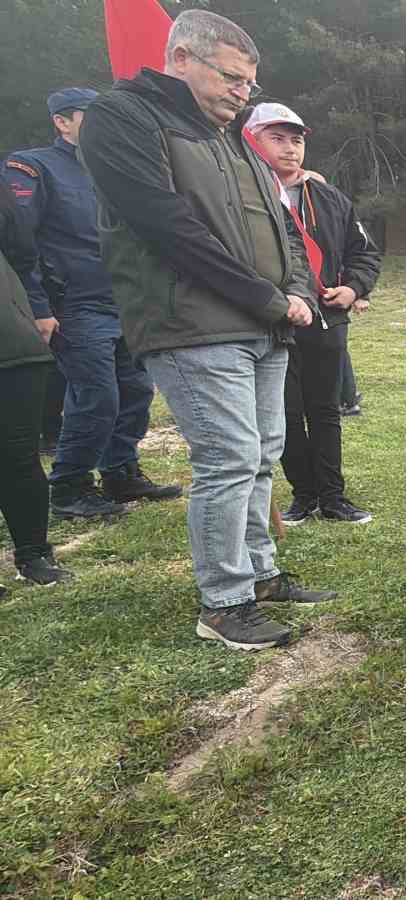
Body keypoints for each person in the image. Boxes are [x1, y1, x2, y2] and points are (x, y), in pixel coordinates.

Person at [78, 9, 337, 651]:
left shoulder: (234, 139)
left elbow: (282, 229)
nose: (241, 93)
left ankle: (261, 574)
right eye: (230, 78)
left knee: (262, 455)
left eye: (249, 83)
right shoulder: (124, 116)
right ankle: (224, 602)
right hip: (192, 324)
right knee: (228, 459)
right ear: (181, 59)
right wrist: (268, 298)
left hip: (264, 324)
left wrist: (297, 290)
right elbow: (168, 228)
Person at [5, 88, 183, 520]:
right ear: (62, 122)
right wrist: (37, 306)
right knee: (97, 396)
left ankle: (120, 472)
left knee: (136, 390)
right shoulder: (34, 167)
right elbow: (19, 243)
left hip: (125, 301)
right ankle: (70, 486)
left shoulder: (112, 168)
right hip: (75, 306)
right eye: (91, 115)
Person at [245, 102, 382, 526]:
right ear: (251, 139)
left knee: (325, 411)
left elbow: (364, 252)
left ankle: (333, 498)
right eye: (277, 138)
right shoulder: (244, 196)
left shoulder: (328, 197)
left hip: (326, 320)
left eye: (296, 140)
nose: (290, 148)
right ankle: (303, 496)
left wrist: (354, 288)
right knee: (285, 414)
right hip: (272, 322)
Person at [2, 180, 72, 587]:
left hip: (10, 341)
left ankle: (33, 552)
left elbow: (20, 246)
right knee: (19, 456)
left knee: (19, 454)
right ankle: (33, 554)